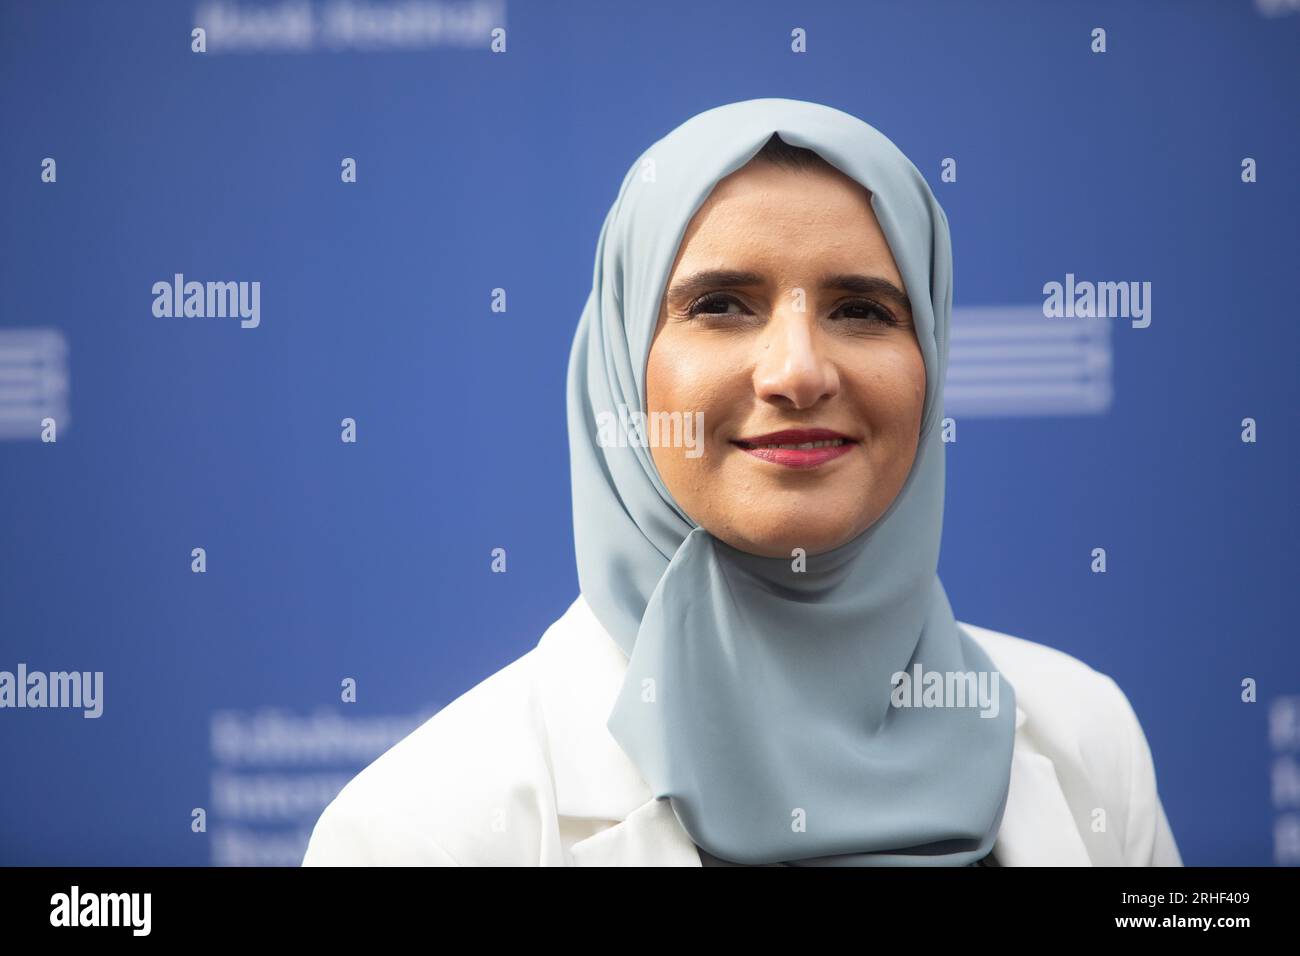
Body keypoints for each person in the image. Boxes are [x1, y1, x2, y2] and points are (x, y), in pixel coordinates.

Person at [301, 98, 1182, 867]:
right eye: (722, 305)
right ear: (620, 363)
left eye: (862, 310)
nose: (798, 372)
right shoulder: (419, 835)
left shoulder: (1085, 740)